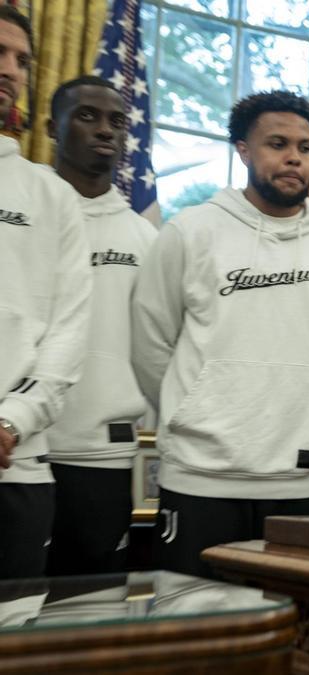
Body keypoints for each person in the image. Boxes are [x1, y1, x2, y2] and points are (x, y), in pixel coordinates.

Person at [131, 90, 309, 577]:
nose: (293, 159)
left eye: (304, 147)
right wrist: (197, 406)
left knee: (296, 628)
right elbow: (150, 347)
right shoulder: (189, 233)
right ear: (242, 149)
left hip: (302, 481)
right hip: (200, 477)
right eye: (277, 144)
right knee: (194, 626)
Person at [43, 76, 157, 575]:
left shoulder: (145, 238)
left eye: (116, 120)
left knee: (86, 607)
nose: (105, 130)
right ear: (53, 127)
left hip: (100, 457)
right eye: (87, 116)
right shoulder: (21, 218)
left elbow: (156, 346)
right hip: (18, 451)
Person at [0, 5, 93, 579]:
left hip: (19, 470)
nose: (10, 69)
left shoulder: (50, 194)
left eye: (21, 60)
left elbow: (68, 331)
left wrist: (11, 422)